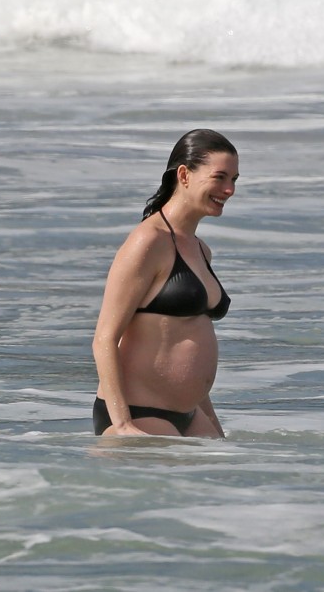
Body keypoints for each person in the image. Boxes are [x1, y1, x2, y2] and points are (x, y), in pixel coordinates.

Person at [92, 129, 239, 437]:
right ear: (184, 174)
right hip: (140, 414)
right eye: (220, 177)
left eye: (234, 180)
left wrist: (214, 426)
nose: (229, 190)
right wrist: (122, 425)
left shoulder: (200, 249)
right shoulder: (149, 241)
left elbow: (185, 338)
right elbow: (105, 338)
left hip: (190, 413)